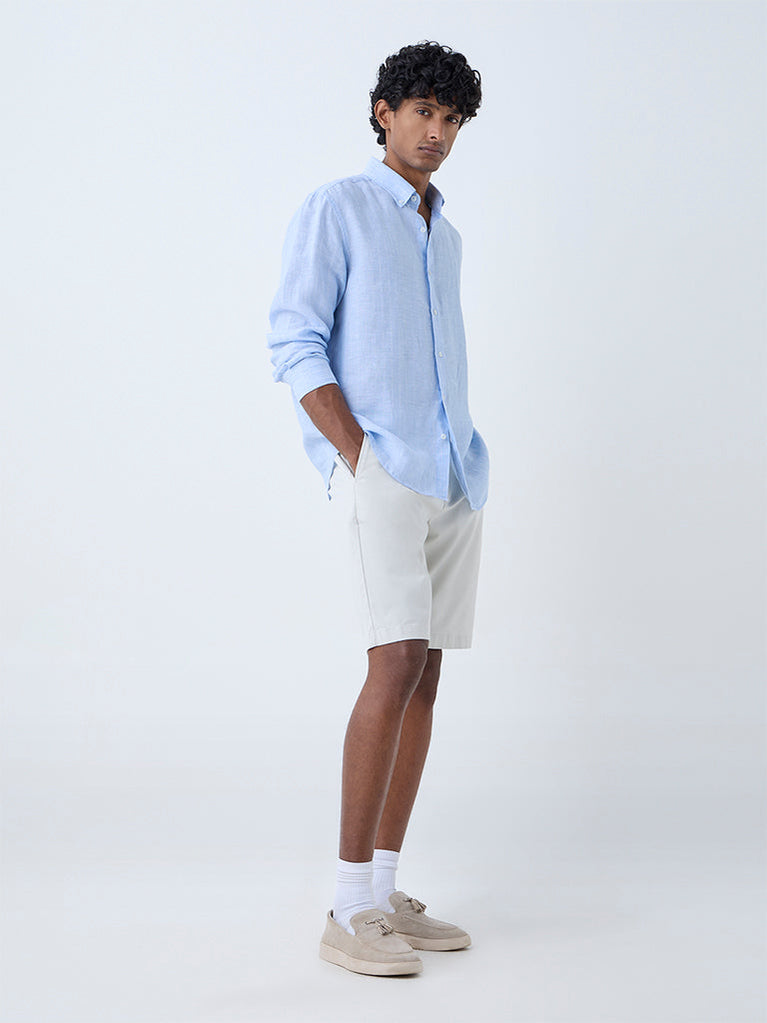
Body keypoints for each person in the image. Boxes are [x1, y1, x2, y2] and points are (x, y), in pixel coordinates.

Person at [267, 40, 489, 977]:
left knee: (425, 675)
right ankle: (347, 904)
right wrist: (360, 459)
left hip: (453, 473)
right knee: (391, 661)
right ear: (383, 112)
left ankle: (384, 890)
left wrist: (458, 453)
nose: (436, 131)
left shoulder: (446, 233)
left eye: (451, 119)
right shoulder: (340, 207)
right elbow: (293, 340)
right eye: (422, 111)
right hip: (385, 471)